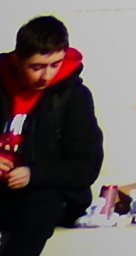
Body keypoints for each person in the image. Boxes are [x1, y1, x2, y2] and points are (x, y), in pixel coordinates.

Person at [0, 16, 102, 256]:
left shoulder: (74, 97)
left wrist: (33, 174)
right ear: (17, 60)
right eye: (36, 67)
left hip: (45, 194)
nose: (46, 75)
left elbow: (86, 165)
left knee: (43, 207)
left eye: (55, 64)